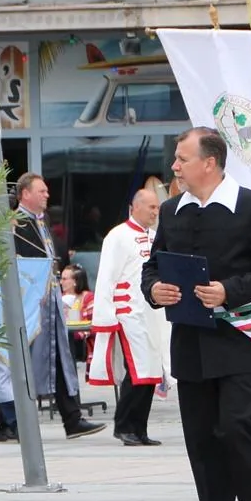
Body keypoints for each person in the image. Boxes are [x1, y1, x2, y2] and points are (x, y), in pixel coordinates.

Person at [142, 127, 251, 501]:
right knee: (202, 441)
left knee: (236, 430)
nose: (175, 165)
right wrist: (156, 290)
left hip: (236, 340)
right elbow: (152, 268)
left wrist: (230, 290)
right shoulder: (171, 211)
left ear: (210, 162)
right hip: (190, 343)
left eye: (182, 158)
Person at [14, 173, 106, 439]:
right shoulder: (16, 225)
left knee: (59, 357)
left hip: (49, 299)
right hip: (31, 304)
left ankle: (72, 418)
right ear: (25, 194)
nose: (47, 196)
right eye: (41, 191)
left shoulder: (41, 223)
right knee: (29, 361)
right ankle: (16, 422)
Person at [88, 187, 170, 447]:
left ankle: (140, 428)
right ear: (134, 208)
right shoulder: (117, 236)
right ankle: (124, 426)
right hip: (128, 315)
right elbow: (107, 277)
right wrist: (106, 315)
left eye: (157, 208)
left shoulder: (156, 236)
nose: (155, 212)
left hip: (151, 315)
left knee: (151, 372)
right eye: (151, 207)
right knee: (136, 372)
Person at [59, 263, 93, 364]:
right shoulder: (60, 297)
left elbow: (85, 327)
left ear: (75, 281)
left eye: (64, 279)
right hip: (65, 347)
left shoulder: (89, 298)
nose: (61, 282)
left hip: (84, 349)